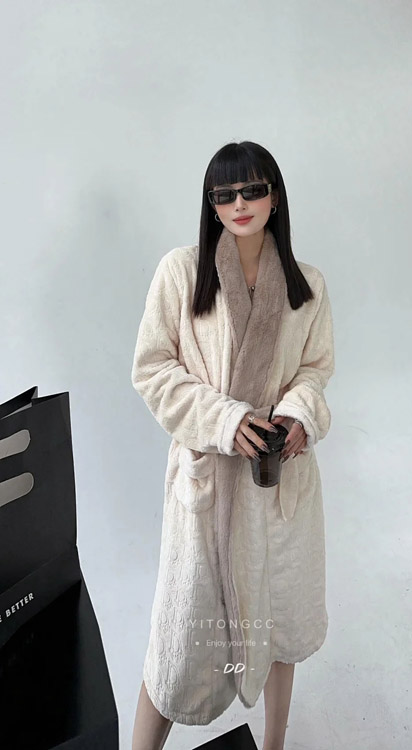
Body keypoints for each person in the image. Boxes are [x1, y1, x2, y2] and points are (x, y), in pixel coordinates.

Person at [131, 140, 335, 750]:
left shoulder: (307, 284)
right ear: (211, 204)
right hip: (208, 486)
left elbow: (315, 369)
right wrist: (223, 420)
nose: (239, 203)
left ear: (275, 197)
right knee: (178, 647)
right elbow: (152, 369)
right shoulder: (181, 272)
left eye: (252, 190)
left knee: (278, 627)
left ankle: (274, 745)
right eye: (224, 194)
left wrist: (299, 414)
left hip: (278, 488)